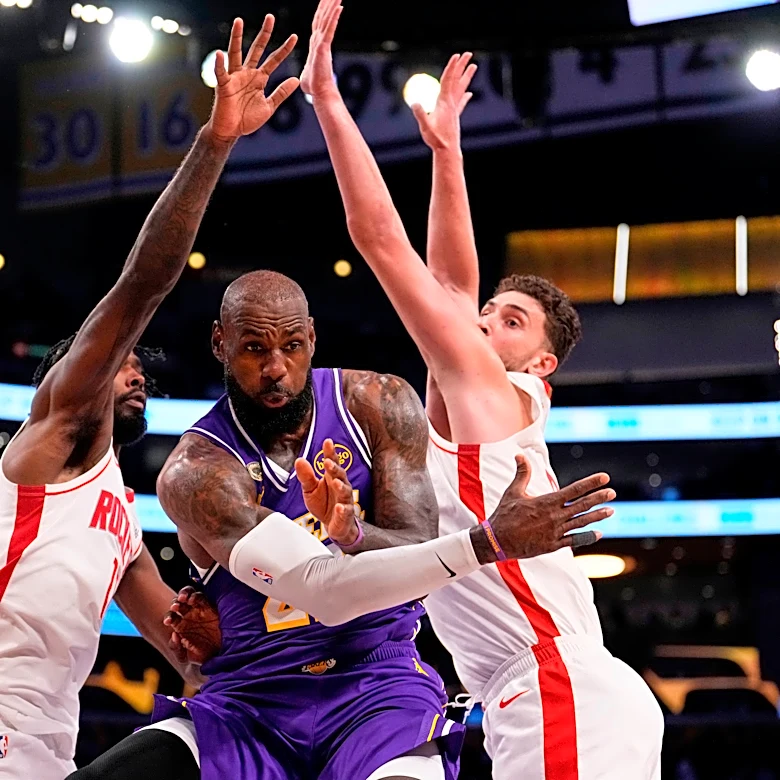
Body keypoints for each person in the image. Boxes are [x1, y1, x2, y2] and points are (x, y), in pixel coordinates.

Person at [302, 2, 664, 778]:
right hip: (536, 689)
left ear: (539, 366)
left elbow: (383, 246)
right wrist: (446, 153)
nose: (485, 325)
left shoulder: (500, 405)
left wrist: (329, 101)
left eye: (512, 322)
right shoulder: (476, 411)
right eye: (489, 315)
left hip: (555, 682)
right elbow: (450, 282)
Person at [69, 267, 614, 780]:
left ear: (312, 337)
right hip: (251, 699)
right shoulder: (195, 470)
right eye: (254, 348)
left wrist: (353, 534)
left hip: (376, 686)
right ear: (220, 345)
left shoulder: (376, 401)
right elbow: (323, 591)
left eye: (291, 346)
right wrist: (488, 541)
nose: (275, 367)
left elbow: (417, 551)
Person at [0, 15, 299, 779]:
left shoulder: (118, 520)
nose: (137, 373)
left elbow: (186, 649)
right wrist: (215, 145)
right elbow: (142, 285)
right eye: (121, 363)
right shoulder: (51, 442)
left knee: (201, 746)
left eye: (140, 366)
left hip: (43, 747)